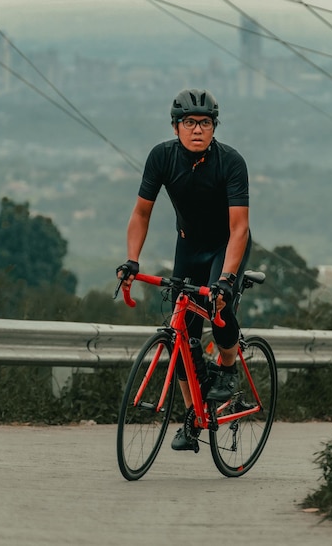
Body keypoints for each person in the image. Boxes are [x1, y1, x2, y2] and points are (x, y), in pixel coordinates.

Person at [116, 88, 251, 450]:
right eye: (189, 122)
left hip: (226, 245)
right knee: (181, 334)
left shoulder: (230, 162)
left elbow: (239, 228)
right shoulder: (161, 157)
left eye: (205, 123)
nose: (197, 129)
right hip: (189, 245)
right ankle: (192, 418)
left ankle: (227, 365)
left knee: (217, 305)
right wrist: (132, 260)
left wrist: (225, 280)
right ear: (176, 127)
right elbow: (141, 212)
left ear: (214, 127)